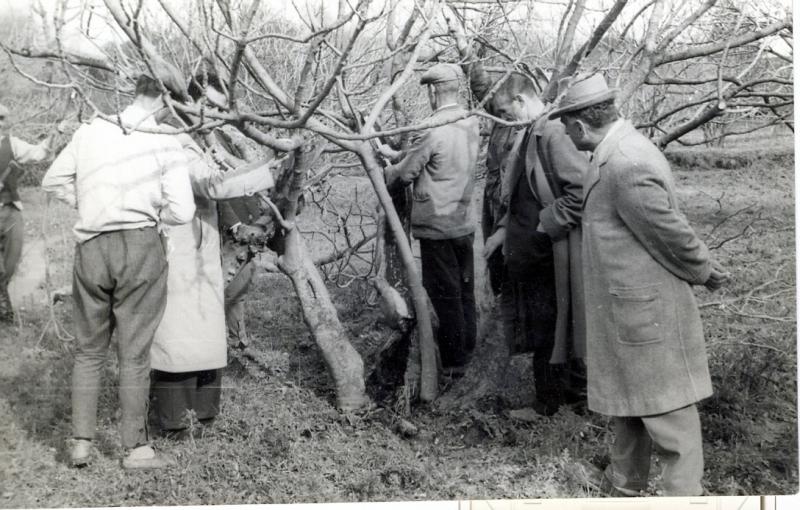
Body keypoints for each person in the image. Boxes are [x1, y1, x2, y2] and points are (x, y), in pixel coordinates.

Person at [550, 74, 729, 496]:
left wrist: (704, 270)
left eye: (566, 128)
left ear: (578, 126)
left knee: (668, 411)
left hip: (645, 310)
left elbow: (668, 230)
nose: (566, 136)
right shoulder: (613, 151)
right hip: (627, 307)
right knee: (630, 403)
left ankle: (682, 498)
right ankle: (625, 488)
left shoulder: (627, 161)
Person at [42, 74, 196, 470]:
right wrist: (153, 213)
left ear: (136, 91)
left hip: (91, 247)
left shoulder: (92, 129)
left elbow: (53, 179)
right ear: (166, 100)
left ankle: (80, 443)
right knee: (134, 352)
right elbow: (183, 211)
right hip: (140, 247)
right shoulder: (165, 140)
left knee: (88, 350)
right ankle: (135, 449)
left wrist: (92, 205)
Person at [149, 86, 278, 436]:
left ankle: (201, 413)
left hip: (198, 245)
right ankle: (176, 420)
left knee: (200, 329)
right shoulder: (171, 137)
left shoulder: (193, 136)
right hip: (180, 246)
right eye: (214, 104)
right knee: (180, 332)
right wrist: (270, 170)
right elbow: (211, 185)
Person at [481, 76, 589, 416]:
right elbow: (520, 193)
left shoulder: (553, 133)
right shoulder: (529, 130)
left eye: (503, 111)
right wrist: (502, 231)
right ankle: (563, 401)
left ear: (520, 100)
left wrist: (545, 227)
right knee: (547, 327)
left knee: (553, 329)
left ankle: (552, 406)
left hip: (553, 251)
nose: (502, 120)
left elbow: (582, 192)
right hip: (535, 251)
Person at [384, 63, 480, 374]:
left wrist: (389, 169)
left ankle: (453, 362)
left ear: (433, 91)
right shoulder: (471, 121)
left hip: (437, 225)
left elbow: (408, 172)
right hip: (464, 221)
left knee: (445, 293)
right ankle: (467, 349)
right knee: (464, 288)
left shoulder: (430, 127)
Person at [0, 102, 57, 322]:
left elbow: (39, 153)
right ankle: (4, 310)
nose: (1, 123)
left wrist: (54, 134)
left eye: (3, 119)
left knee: (11, 263)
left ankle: (3, 305)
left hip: (11, 211)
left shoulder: (11, 144)